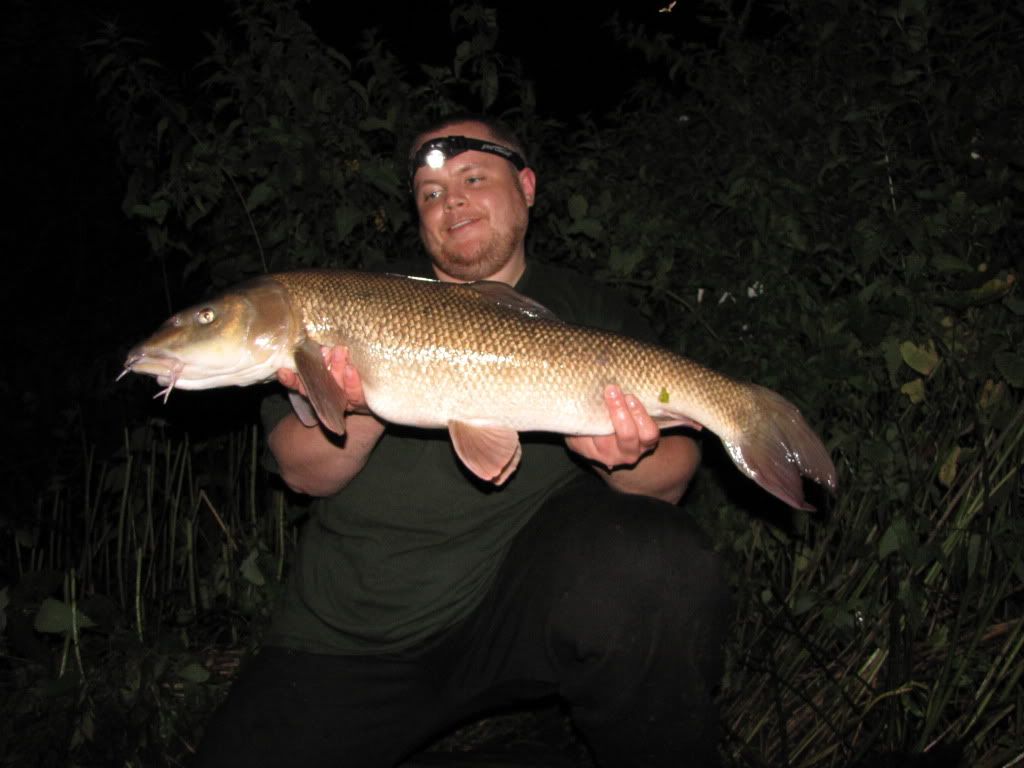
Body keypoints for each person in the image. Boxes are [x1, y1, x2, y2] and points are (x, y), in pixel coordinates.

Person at [193, 114, 732, 767]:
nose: (449, 202)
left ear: (527, 186)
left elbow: (673, 475)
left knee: (658, 564)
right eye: (429, 192)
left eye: (472, 178)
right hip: (357, 629)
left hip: (521, 611)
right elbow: (305, 473)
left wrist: (627, 458)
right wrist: (355, 402)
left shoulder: (586, 311)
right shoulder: (356, 301)